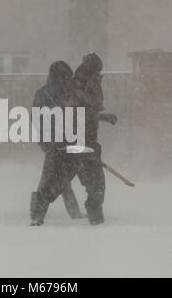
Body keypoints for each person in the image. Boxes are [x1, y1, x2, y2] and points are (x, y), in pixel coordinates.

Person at [62, 53, 117, 225]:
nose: (99, 75)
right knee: (95, 183)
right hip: (80, 140)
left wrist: (101, 117)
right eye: (98, 71)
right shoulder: (81, 85)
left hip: (79, 139)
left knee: (60, 179)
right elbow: (78, 113)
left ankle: (39, 212)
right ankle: (95, 218)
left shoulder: (81, 84)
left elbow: (85, 112)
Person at [30, 61, 85, 226]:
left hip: (65, 141)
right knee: (50, 178)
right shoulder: (43, 94)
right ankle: (36, 215)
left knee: (63, 178)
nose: (69, 80)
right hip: (52, 143)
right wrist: (49, 140)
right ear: (58, 76)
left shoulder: (66, 93)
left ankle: (71, 212)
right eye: (66, 77)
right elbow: (38, 119)